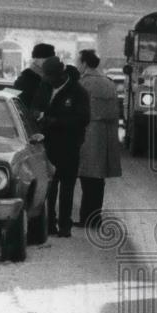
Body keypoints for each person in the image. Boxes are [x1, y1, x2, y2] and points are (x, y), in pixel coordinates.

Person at [39, 59, 90, 237]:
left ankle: (64, 225)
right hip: (48, 146)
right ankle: (50, 224)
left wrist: (56, 122)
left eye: (49, 76)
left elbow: (83, 119)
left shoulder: (78, 92)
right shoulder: (45, 87)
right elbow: (36, 106)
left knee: (67, 188)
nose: (47, 80)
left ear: (60, 75)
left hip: (69, 147)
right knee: (50, 188)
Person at [75, 49, 122, 230]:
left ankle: (86, 218)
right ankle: (96, 218)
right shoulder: (108, 83)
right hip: (104, 137)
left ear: (85, 63)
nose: (77, 65)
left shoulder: (82, 84)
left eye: (78, 61)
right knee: (97, 180)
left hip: (87, 135)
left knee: (87, 179)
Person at [14, 43, 56, 110]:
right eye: (49, 59)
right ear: (38, 59)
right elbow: (19, 106)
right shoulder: (25, 79)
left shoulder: (50, 78)